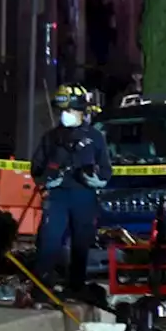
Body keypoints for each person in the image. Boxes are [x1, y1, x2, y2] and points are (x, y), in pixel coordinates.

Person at [29, 84, 113, 301]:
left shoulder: (95, 138)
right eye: (63, 111)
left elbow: (105, 168)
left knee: (81, 244)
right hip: (57, 198)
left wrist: (99, 181)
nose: (66, 115)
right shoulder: (51, 138)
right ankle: (42, 287)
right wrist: (46, 181)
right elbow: (36, 167)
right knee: (49, 240)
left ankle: (76, 287)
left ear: (81, 112)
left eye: (70, 111)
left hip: (84, 197)